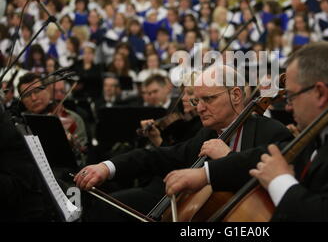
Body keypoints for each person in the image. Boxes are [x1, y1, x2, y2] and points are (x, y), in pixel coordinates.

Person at [165, 42, 328, 221]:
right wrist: (206, 174)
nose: (289, 104)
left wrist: (280, 181)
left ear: (320, 93)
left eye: (292, 95)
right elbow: (268, 155)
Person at [74, 65, 292, 221]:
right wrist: (107, 167)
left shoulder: (273, 132)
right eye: (197, 101)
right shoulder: (208, 134)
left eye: (209, 99)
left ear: (236, 95)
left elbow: (276, 185)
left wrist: (227, 159)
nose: (199, 108)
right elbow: (161, 156)